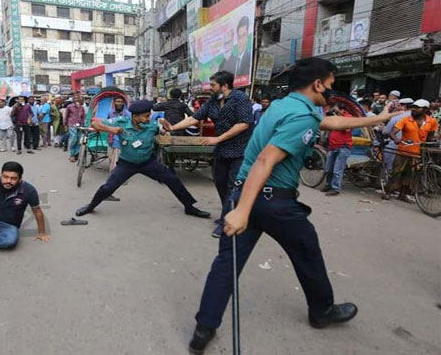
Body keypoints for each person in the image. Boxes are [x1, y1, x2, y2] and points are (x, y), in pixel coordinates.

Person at [188, 58, 399, 354]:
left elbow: (333, 122)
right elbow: (265, 160)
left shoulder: (284, 106)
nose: (330, 91)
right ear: (317, 84)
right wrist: (242, 212)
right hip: (272, 203)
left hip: (243, 192)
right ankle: (321, 311)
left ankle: (203, 329)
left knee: (226, 264)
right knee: (308, 253)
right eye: (330, 85)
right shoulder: (302, 116)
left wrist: (378, 119)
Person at [75, 100, 211, 219]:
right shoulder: (121, 122)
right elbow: (97, 125)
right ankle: (91, 206)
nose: (148, 118)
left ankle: (189, 207)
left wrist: (166, 124)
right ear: (135, 116)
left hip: (147, 162)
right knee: (108, 187)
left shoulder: (152, 126)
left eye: (149, 115)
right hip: (127, 164)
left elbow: (166, 129)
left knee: (172, 179)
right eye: (146, 116)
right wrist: (111, 129)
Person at [161, 71, 254, 238]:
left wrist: (218, 138)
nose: (210, 88)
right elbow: (195, 118)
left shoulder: (240, 99)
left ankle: (227, 222)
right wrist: (173, 128)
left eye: (213, 85)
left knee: (233, 186)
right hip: (222, 150)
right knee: (220, 183)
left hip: (241, 150)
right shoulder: (213, 101)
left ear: (224, 85)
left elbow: (244, 124)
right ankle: (230, 213)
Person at [383, 99, 438, 201]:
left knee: (410, 175)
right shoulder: (406, 120)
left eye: (417, 108)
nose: (414, 109)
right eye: (413, 107)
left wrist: (435, 140)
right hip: (403, 150)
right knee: (396, 172)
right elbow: (392, 132)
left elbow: (430, 137)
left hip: (418, 153)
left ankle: (402, 194)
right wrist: (396, 139)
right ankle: (388, 192)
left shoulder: (432, 121)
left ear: (425, 109)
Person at [320, 103, 353, 196]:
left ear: (342, 110)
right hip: (332, 146)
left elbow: (347, 129)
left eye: (337, 110)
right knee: (328, 168)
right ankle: (328, 185)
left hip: (343, 146)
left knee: (337, 170)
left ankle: (335, 188)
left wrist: (337, 119)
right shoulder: (336, 117)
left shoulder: (349, 117)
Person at [382, 98, 414, 176]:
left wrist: (381, 128)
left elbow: (386, 131)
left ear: (404, 106)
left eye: (399, 105)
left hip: (397, 144)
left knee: (389, 165)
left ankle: (386, 178)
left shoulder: (397, 116)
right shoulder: (421, 117)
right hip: (414, 146)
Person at [107, 95, 130, 171]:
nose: (120, 103)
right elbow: (107, 122)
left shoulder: (127, 114)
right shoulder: (110, 112)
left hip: (121, 138)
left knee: (116, 158)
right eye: (118, 102)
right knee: (110, 156)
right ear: (114, 103)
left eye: (121, 102)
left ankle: (115, 175)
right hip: (111, 137)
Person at [66, 92, 87, 162]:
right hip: (72, 125)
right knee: (73, 139)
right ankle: (72, 155)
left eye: (78, 98)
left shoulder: (82, 108)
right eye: (75, 98)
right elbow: (66, 116)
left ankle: (76, 154)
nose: (77, 99)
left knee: (78, 140)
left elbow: (83, 117)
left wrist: (83, 125)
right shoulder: (69, 107)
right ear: (73, 99)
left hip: (80, 126)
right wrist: (65, 124)